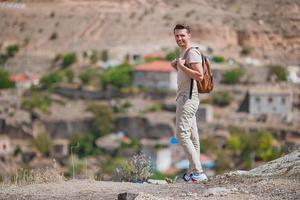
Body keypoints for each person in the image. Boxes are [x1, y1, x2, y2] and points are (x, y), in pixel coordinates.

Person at [171, 24, 208, 183]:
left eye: (182, 35)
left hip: (188, 99)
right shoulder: (184, 53)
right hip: (185, 98)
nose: (179, 38)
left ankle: (198, 172)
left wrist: (180, 66)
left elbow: (199, 76)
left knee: (181, 134)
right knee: (192, 137)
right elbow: (188, 75)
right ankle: (193, 173)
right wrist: (177, 67)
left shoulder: (192, 53)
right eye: (177, 36)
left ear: (189, 35)